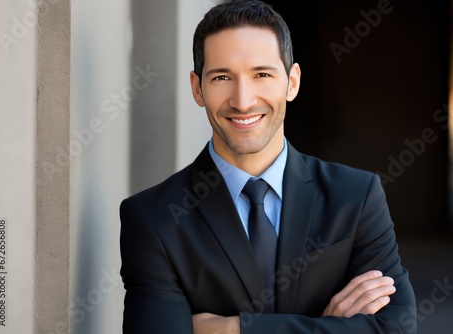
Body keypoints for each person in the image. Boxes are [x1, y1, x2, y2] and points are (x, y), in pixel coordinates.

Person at [119, 0, 416, 333]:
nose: (243, 100)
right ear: (197, 88)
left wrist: (235, 328)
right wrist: (327, 326)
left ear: (292, 82)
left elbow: (396, 328)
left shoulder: (357, 197)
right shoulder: (153, 219)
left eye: (261, 74)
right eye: (222, 77)